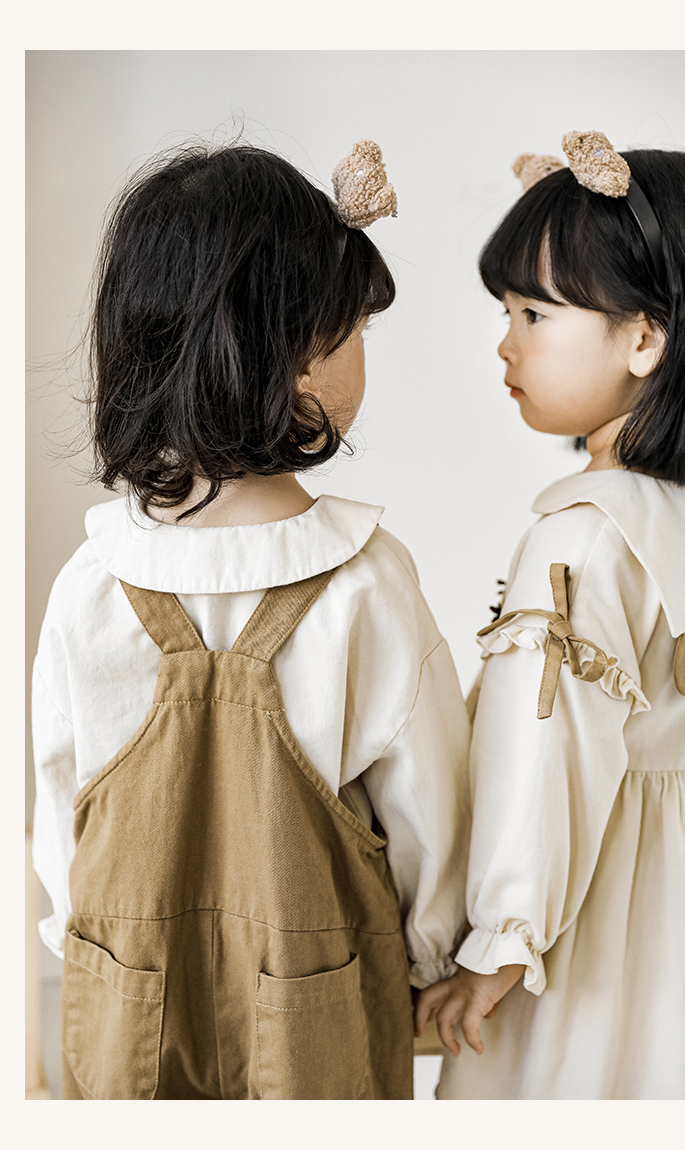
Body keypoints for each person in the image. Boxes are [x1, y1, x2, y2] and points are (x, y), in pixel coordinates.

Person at [31, 140, 470, 1100]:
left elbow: (61, 807)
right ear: (300, 352)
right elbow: (430, 813)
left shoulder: (90, 583)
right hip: (321, 1014)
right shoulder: (366, 584)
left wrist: (76, 930)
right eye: (356, 328)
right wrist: (433, 953)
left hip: (129, 1001)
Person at [416, 131, 685, 1100]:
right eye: (507, 312)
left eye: (535, 313)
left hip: (596, 928)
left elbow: (542, 755)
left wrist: (501, 939)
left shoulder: (582, 541)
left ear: (645, 337)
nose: (505, 343)